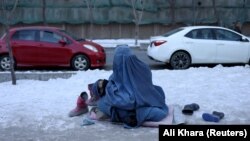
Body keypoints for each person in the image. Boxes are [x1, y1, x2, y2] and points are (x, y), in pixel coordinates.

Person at [69, 45, 169, 128]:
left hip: (134, 104)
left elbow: (125, 101)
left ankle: (88, 102)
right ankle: (91, 99)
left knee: (104, 105)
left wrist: (109, 91)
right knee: (101, 88)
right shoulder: (143, 68)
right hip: (146, 99)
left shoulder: (122, 71)